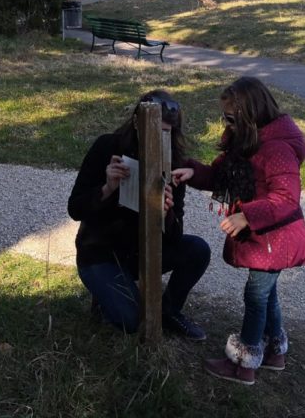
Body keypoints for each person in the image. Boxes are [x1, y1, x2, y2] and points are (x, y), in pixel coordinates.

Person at [172, 76, 305, 385]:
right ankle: (275, 352)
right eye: (226, 117)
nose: (227, 124)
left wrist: (246, 216)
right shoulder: (246, 142)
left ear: (250, 114)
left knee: (256, 296)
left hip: (276, 239)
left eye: (231, 118)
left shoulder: (276, 149)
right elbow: (221, 174)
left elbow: (287, 198)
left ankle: (244, 363)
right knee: (267, 293)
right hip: (266, 237)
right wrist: (195, 171)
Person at [67, 90, 211, 340]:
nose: (159, 139)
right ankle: (106, 298)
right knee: (133, 321)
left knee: (197, 250)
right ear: (136, 123)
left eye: (166, 133)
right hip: (100, 254)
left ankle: (169, 311)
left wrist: (166, 213)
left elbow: (176, 236)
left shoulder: (173, 161)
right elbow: (75, 208)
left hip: (143, 253)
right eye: (155, 132)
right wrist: (107, 188)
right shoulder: (107, 146)